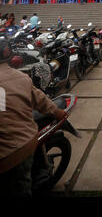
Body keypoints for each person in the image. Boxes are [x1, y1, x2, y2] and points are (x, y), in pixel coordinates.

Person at [0, 39, 65, 197]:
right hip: (18, 150)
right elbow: (43, 102)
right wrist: (58, 113)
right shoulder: (21, 78)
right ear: (9, 55)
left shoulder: (23, 78)